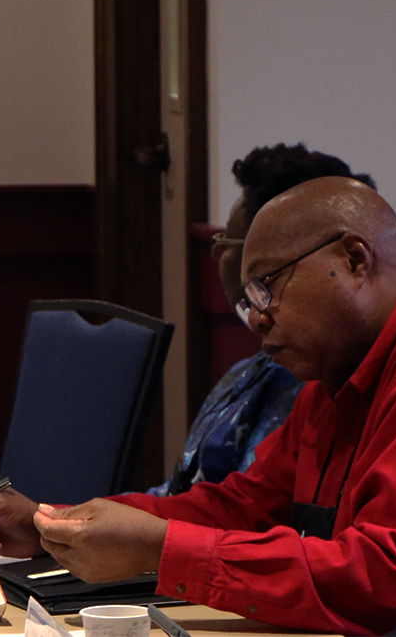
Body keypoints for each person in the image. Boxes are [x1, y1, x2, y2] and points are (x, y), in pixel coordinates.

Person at [0, 177, 396, 636]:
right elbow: (241, 507)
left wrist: (163, 549)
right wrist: (47, 524)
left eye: (267, 285)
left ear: (356, 259)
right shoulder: (336, 370)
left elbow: (384, 579)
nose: (257, 317)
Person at [153, 143, 372, 496]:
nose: (221, 256)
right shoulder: (260, 374)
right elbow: (233, 503)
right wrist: (70, 523)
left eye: (230, 241)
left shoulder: (332, 384)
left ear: (354, 260)